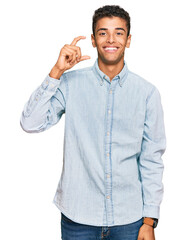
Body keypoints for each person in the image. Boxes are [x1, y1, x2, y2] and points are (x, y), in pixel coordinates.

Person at [20, 5, 166, 240]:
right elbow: (30, 122)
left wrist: (149, 221)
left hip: (129, 221)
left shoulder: (147, 93)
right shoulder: (69, 83)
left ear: (128, 40)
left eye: (119, 33)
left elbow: (152, 160)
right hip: (78, 219)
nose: (111, 39)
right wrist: (57, 70)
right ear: (93, 39)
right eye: (102, 32)